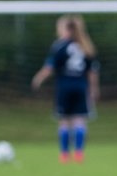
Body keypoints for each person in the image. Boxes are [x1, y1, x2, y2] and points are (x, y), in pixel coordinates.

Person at [31, 15, 100, 163]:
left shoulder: (60, 46)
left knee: (64, 121)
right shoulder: (85, 45)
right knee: (80, 120)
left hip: (64, 87)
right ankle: (79, 153)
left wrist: (39, 78)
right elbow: (92, 72)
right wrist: (94, 89)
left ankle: (64, 154)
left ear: (65, 29)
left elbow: (49, 67)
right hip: (81, 87)